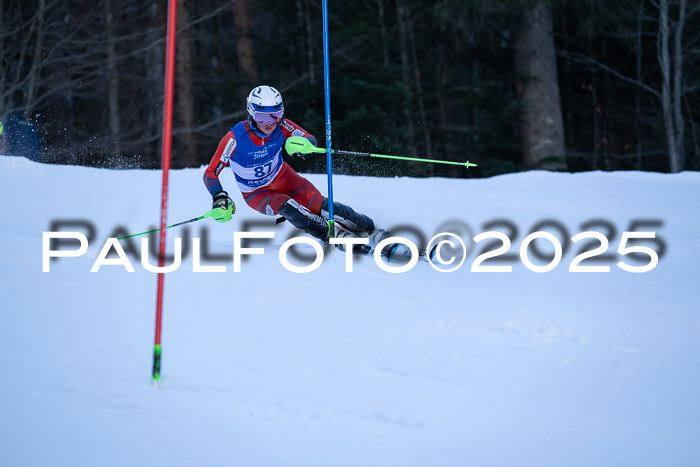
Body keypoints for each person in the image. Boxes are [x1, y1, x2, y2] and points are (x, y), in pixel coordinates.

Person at [203, 85, 387, 251]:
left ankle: (371, 230)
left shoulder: (282, 125)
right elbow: (211, 173)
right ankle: (331, 236)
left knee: (320, 205)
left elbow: (309, 138)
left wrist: (304, 146)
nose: (269, 123)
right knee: (287, 206)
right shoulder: (235, 138)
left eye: (275, 115)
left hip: (285, 178)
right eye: (261, 117)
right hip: (256, 193)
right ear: (250, 113)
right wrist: (219, 196)